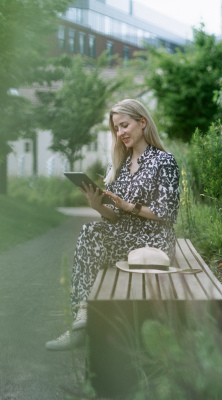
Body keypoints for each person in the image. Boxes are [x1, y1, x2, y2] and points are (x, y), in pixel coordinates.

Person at [46, 99, 180, 351]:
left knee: (92, 235)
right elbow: (116, 218)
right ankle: (82, 316)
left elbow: (168, 213)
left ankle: (83, 318)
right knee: (91, 230)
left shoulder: (164, 161)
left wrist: (131, 207)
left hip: (154, 240)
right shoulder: (118, 165)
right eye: (116, 128)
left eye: (124, 125)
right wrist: (97, 206)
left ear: (142, 122)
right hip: (125, 237)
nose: (120, 133)